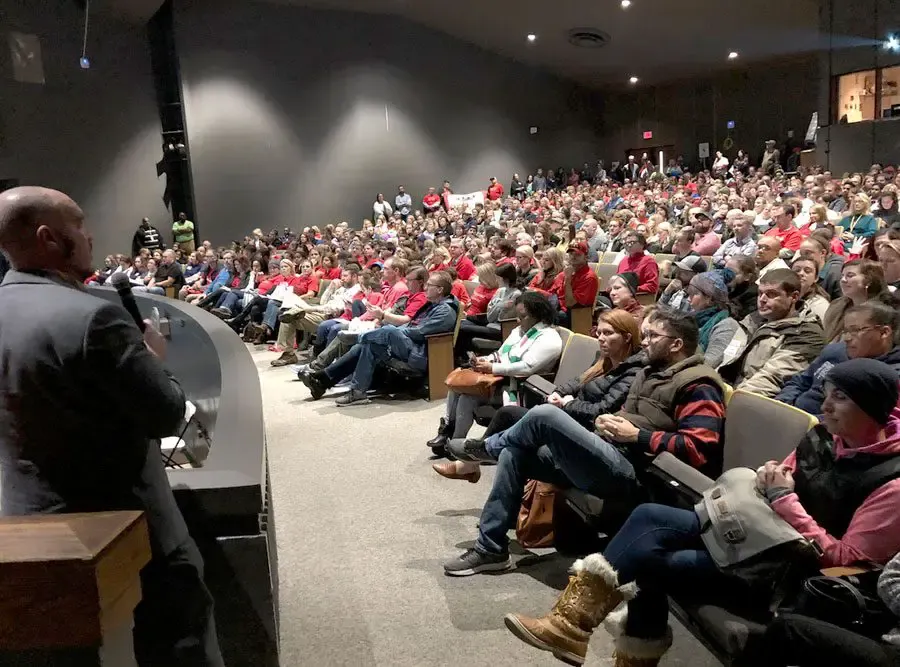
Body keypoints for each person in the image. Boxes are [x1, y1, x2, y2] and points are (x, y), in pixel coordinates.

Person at [503, 358, 900, 667]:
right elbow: (785, 476)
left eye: (841, 398)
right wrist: (770, 479)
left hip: (787, 570)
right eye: (826, 393)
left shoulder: (890, 481)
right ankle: (570, 624)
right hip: (755, 534)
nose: (825, 405)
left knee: (650, 564)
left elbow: (847, 560)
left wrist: (783, 500)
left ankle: (588, 634)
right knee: (648, 515)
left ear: (872, 407)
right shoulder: (824, 436)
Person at [0, 187, 222, 665]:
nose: (90, 233)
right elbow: (165, 413)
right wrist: (152, 358)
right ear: (49, 238)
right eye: (79, 223)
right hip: (127, 525)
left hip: (26, 524)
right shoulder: (94, 317)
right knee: (181, 637)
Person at [441, 308, 726, 577]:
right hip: (607, 451)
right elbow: (630, 416)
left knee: (544, 415)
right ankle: (491, 548)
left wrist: (635, 436)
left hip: (635, 472)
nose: (645, 341)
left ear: (676, 344)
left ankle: (487, 449)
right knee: (515, 453)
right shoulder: (649, 372)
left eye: (652, 336)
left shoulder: (698, 385)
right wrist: (609, 421)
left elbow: (698, 449)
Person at [427, 293, 563, 460]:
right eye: (517, 315)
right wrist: (485, 360)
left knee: (467, 398)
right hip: (501, 380)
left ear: (538, 315)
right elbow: (501, 354)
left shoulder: (549, 338)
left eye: (523, 316)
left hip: (521, 387)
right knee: (457, 387)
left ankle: (456, 444)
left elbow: (527, 367)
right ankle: (448, 432)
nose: (518, 320)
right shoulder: (520, 331)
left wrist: (493, 367)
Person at [299, 272, 458, 406]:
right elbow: (413, 327)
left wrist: (397, 332)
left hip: (421, 353)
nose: (426, 287)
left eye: (429, 285)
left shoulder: (445, 311)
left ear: (439, 289)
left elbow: (420, 332)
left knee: (388, 330)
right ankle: (325, 381)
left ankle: (358, 337)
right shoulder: (433, 304)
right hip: (409, 345)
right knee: (367, 346)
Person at [777, 302, 900, 416]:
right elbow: (800, 381)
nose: (847, 338)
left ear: (884, 332)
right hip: (792, 416)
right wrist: (782, 405)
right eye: (846, 331)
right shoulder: (835, 351)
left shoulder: (890, 376)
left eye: (855, 330)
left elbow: (859, 421)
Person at [718, 269, 825, 397]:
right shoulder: (752, 321)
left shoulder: (807, 334)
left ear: (794, 297)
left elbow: (771, 379)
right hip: (727, 390)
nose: (762, 299)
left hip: (753, 403)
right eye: (760, 293)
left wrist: (728, 400)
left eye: (772, 294)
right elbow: (726, 361)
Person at [454, 263, 520, 356]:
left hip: (501, 328)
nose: (496, 280)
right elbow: (490, 315)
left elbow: (502, 317)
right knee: (460, 324)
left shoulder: (516, 294)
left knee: (463, 328)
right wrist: (500, 305)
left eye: (498, 278)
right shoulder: (500, 291)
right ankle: (463, 357)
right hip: (490, 323)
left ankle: (460, 358)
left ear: (505, 278)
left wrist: (496, 305)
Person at [823, 259, 887, 343]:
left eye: (850, 275)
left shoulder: (883, 311)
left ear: (868, 280)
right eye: (842, 275)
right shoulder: (836, 305)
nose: (843, 280)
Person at [687, 270, 740, 368]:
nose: (688, 298)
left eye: (693, 293)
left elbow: (709, 364)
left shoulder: (726, 325)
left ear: (710, 299)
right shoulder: (692, 318)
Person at [556, 242, 600, 327]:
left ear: (586, 257)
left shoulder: (589, 277)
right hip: (562, 307)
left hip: (576, 313)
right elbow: (558, 293)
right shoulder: (569, 271)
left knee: (552, 315)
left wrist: (567, 280)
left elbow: (570, 303)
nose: (573, 256)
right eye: (571, 254)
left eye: (578, 254)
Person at [798, 234, 844, 300]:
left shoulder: (835, 274)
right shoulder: (800, 271)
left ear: (822, 253)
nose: (804, 257)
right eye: (801, 254)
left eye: (808, 253)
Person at [791, 255, 830, 322]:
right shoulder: (783, 296)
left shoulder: (819, 304)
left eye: (807, 271)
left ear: (816, 278)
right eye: (797, 270)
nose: (801, 273)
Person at [726, 254, 760, 320]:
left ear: (747, 276)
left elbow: (741, 319)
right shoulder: (726, 286)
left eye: (733, 272)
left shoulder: (754, 294)